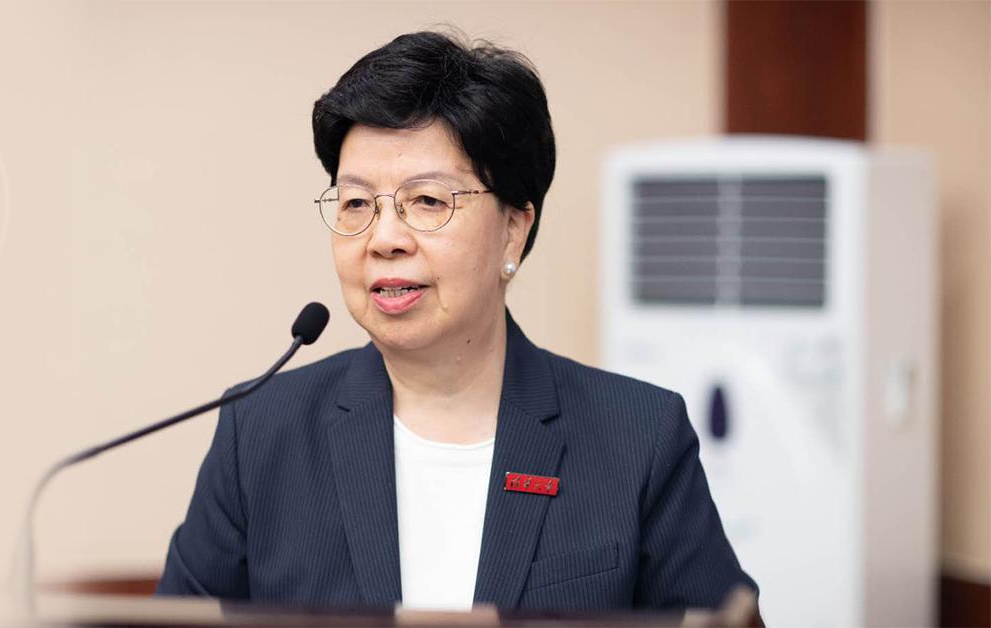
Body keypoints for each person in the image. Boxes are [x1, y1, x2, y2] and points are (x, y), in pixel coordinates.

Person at [154, 30, 757, 613]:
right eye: (357, 203)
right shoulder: (260, 431)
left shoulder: (638, 437)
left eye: (427, 201)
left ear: (513, 230)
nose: (384, 239)